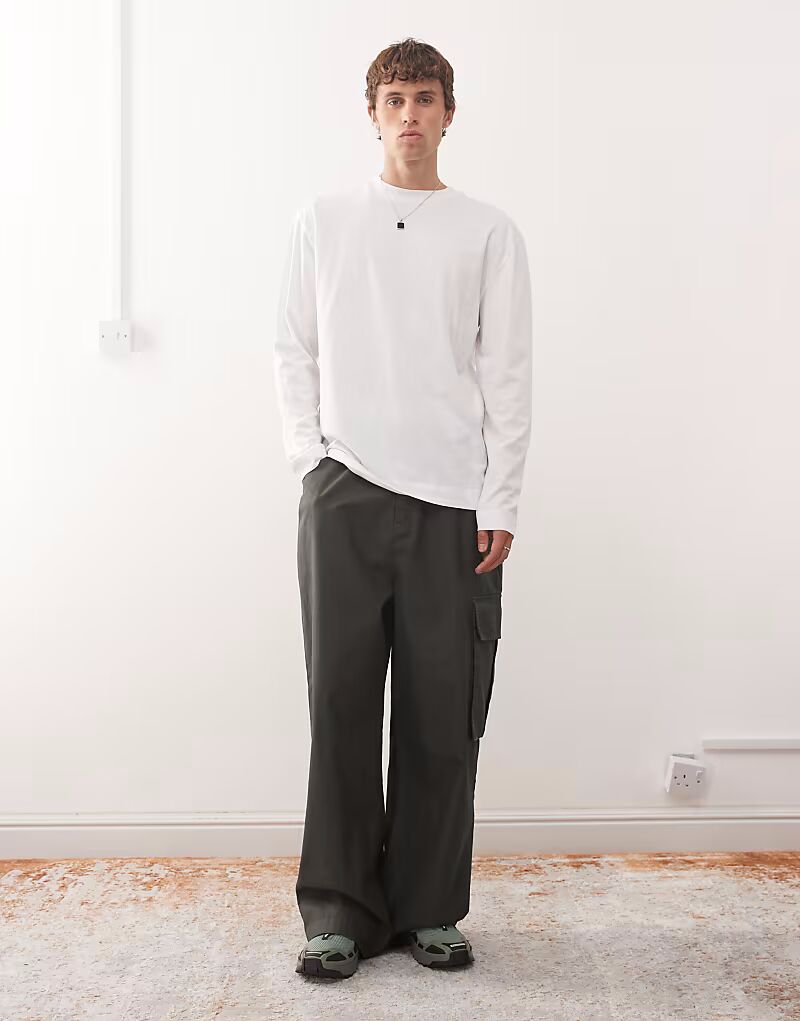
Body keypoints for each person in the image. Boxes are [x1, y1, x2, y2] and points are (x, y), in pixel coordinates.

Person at [273, 37, 532, 980]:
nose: (410, 114)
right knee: (341, 702)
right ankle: (339, 911)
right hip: (343, 490)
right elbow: (292, 345)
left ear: (449, 113)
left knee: (440, 713)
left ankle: (429, 907)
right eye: (395, 99)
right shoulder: (324, 220)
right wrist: (311, 460)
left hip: (452, 501)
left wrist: (501, 496)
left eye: (426, 98)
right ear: (372, 113)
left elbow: (507, 370)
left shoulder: (487, 231)